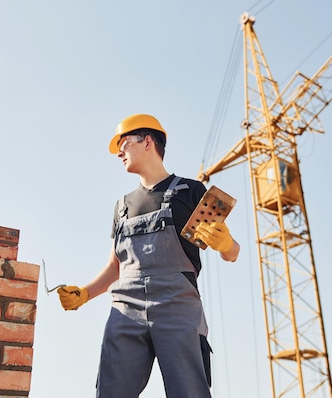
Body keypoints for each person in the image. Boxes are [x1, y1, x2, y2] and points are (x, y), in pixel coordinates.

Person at [57, 114, 240, 398]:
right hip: (125, 310)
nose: (119, 152)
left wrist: (226, 243)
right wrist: (84, 293)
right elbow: (114, 268)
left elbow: (232, 254)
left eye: (124, 143)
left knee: (188, 392)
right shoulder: (122, 207)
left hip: (177, 307)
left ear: (148, 141)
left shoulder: (191, 192)